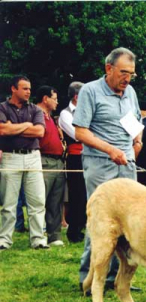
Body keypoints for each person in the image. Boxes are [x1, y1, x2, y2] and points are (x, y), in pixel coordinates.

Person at [73, 47, 142, 292]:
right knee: (102, 222)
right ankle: (89, 279)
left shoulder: (130, 92)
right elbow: (80, 132)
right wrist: (110, 150)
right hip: (100, 163)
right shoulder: (90, 91)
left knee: (130, 223)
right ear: (108, 68)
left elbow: (135, 123)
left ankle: (119, 279)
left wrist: (137, 142)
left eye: (131, 74)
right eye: (123, 72)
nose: (127, 78)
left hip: (127, 164)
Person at [0, 75, 48, 251]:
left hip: (33, 157)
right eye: (24, 88)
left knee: (37, 201)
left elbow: (40, 132)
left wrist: (16, 128)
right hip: (10, 157)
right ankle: (4, 240)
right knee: (9, 202)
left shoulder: (35, 109)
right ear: (13, 89)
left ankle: (38, 239)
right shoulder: (2, 108)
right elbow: (3, 129)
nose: (29, 91)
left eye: (29, 88)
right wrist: (28, 125)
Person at [37, 85, 67, 246]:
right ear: (45, 99)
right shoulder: (35, 114)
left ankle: (54, 235)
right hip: (44, 160)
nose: (57, 102)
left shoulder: (51, 117)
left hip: (58, 161)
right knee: (41, 199)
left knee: (56, 200)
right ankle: (39, 233)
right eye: (54, 99)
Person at [59, 81, 86, 243]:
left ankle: (81, 226)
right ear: (76, 97)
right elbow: (77, 135)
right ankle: (73, 230)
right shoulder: (65, 113)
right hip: (76, 157)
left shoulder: (86, 112)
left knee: (87, 193)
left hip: (89, 155)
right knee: (77, 194)